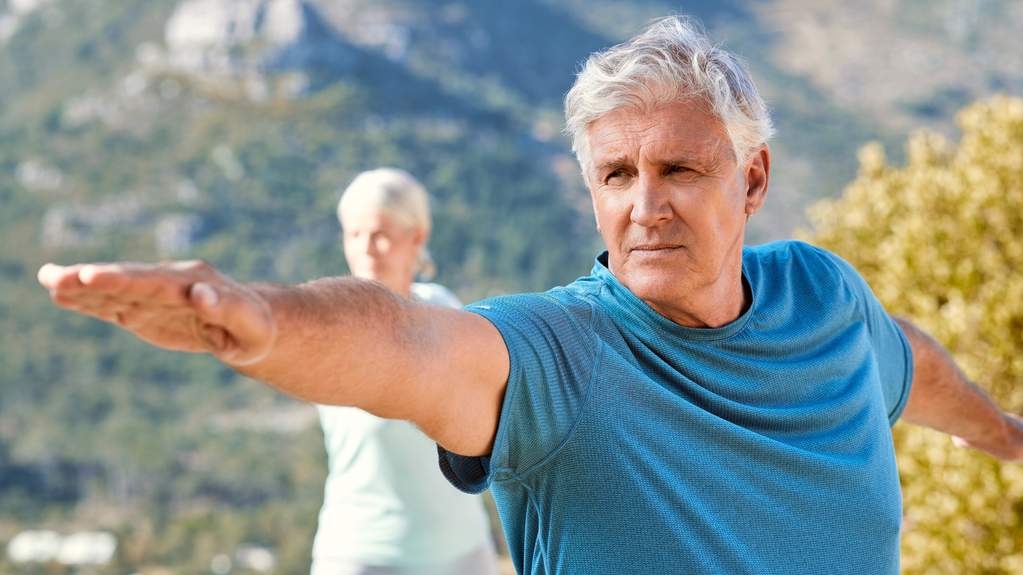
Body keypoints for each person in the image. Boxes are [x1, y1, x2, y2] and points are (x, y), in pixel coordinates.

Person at [38, 15, 1023, 575]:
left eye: (679, 169)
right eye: (616, 176)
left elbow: (909, 363)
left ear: (753, 180)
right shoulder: (561, 353)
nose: (645, 206)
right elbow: (406, 342)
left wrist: (1001, 434)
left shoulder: (824, 294)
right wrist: (256, 322)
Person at [311, 168, 497, 575]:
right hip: (360, 555)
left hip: (462, 553)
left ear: (416, 237)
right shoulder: (328, 322)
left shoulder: (444, 309)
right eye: (354, 235)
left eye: (380, 234)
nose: (367, 249)